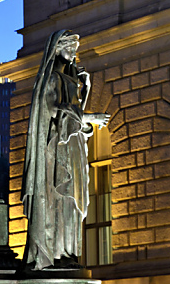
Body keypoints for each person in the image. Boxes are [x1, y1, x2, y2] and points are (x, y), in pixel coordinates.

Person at [21, 30, 110, 271]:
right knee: (60, 199)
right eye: (70, 45)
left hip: (72, 148)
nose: (74, 51)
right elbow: (53, 111)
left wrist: (86, 89)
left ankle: (69, 252)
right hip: (57, 150)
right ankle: (57, 253)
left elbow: (72, 114)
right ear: (57, 47)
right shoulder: (51, 79)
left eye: (75, 46)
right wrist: (89, 117)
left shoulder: (69, 80)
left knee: (72, 201)